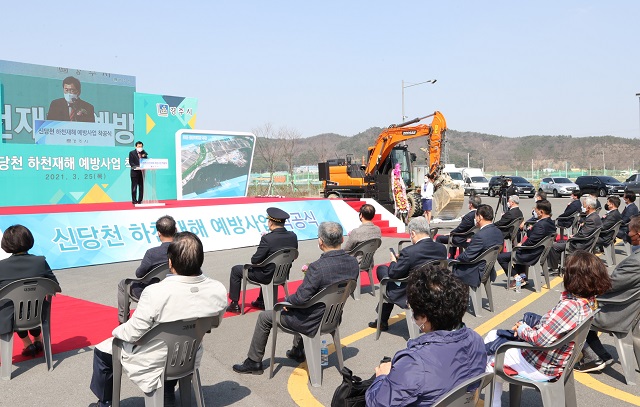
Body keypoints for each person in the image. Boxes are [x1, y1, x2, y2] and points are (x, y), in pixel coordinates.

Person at [88, 232, 228, 407]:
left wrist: (117, 331)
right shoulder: (218, 289)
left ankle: (105, 403)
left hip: (155, 360)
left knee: (103, 351)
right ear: (200, 260)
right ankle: (168, 389)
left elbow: (132, 333)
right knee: (169, 340)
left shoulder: (156, 292)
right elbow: (213, 324)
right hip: (189, 354)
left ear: (170, 262)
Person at [485, 251, 611, 406]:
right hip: (556, 359)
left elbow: (540, 339)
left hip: (540, 364)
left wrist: (523, 328)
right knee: (492, 335)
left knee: (489, 357)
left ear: (574, 278)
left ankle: (493, 403)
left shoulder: (570, 306)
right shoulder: (588, 301)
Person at [232, 221, 359, 373]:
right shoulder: (353, 263)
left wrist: (287, 301)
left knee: (265, 317)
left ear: (320, 242)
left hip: (312, 320)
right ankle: (297, 350)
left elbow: (301, 298)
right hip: (333, 317)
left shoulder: (318, 267)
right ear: (342, 239)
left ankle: (253, 362)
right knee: (307, 305)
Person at [365, 264, 487, 406]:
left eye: (413, 310)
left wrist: (382, 377)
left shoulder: (415, 362)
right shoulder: (476, 339)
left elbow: (377, 404)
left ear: (424, 318)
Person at [575, 215, 640, 372]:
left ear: (638, 233)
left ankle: (594, 357)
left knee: (572, 312)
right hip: (629, 307)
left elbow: (609, 285)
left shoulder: (635, 262)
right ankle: (599, 354)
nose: (627, 233)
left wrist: (587, 283)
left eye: (630, 230)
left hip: (617, 311)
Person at [367, 217, 447, 332]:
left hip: (412, 290)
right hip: (433, 286)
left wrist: (394, 261)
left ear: (413, 233)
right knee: (387, 276)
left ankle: (382, 320)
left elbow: (394, 274)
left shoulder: (409, 252)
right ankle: (382, 320)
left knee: (383, 271)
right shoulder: (441, 248)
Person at [0, 225, 59, 357]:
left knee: (10, 305)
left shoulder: (1, 267)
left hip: (10, 317)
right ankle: (37, 340)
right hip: (38, 313)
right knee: (28, 304)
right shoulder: (40, 262)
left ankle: (27, 343)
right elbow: (54, 285)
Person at [227, 207, 298, 313]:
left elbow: (254, 260)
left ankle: (234, 304)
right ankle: (261, 300)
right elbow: (294, 255)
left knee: (236, 270)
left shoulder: (268, 239)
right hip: (282, 274)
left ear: (271, 222)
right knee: (267, 266)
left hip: (266, 276)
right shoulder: (293, 236)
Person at [116, 215, 176, 324]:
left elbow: (139, 274)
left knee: (123, 284)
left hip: (152, 292)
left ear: (158, 233)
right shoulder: (183, 250)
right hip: (176, 289)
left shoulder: (152, 253)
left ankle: (123, 322)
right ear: (175, 230)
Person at [497, 200, 556, 288]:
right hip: (539, 251)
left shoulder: (540, 225)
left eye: (535, 210)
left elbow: (531, 241)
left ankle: (517, 278)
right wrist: (531, 229)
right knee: (517, 252)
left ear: (541, 212)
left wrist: (521, 245)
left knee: (501, 257)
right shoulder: (550, 223)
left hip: (532, 253)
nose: (534, 212)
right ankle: (523, 277)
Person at [452, 204, 504, 288]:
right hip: (488, 269)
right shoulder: (498, 232)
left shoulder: (480, 235)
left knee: (447, 269)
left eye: (476, 217)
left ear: (480, 217)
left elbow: (467, 256)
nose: (475, 219)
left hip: (475, 271)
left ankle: (453, 299)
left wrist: (454, 261)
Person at [547, 195, 602, 272]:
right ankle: (564, 263)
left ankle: (555, 267)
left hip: (580, 244)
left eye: (583, 205)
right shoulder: (595, 216)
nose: (582, 207)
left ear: (588, 207)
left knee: (553, 246)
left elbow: (583, 235)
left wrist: (573, 236)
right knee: (560, 242)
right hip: (584, 242)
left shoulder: (591, 219)